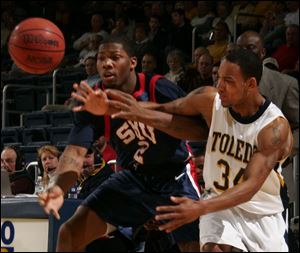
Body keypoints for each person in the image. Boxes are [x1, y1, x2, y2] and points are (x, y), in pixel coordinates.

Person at [75, 48, 293, 252]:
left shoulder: (273, 128)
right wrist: (112, 108)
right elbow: (165, 108)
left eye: (228, 81)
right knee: (212, 248)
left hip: (260, 211)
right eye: (219, 78)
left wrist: (199, 208)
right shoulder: (210, 101)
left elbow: (250, 186)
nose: (220, 86)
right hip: (218, 201)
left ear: (251, 84)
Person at [39, 35, 201, 252]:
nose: (107, 63)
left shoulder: (157, 87)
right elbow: (74, 153)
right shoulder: (92, 101)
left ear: (133, 62)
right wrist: (58, 187)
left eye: (115, 57)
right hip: (133, 178)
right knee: (69, 233)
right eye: (101, 58)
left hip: (175, 176)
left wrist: (143, 113)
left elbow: (200, 130)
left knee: (193, 245)